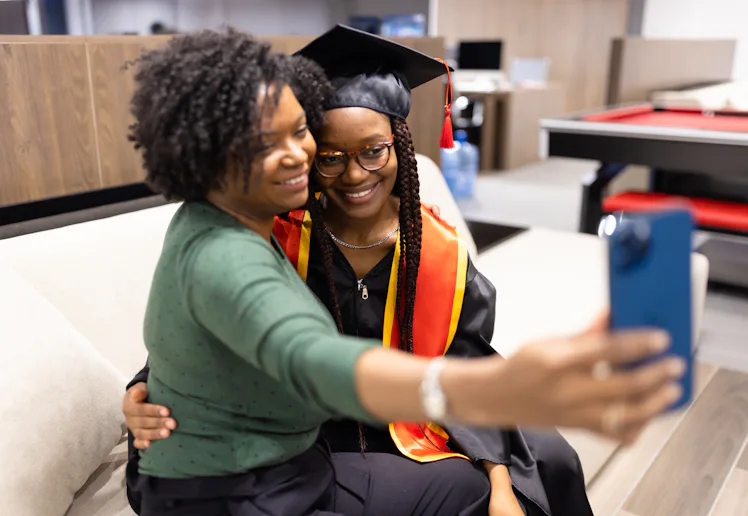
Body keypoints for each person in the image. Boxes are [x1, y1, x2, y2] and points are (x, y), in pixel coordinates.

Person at [125, 27, 685, 516]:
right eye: (330, 155)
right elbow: (266, 344)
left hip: (412, 414)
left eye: (373, 151)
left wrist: (496, 459)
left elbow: (465, 352)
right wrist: (141, 389)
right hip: (316, 428)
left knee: (551, 462)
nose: (352, 174)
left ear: (400, 147)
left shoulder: (434, 246)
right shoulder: (273, 229)